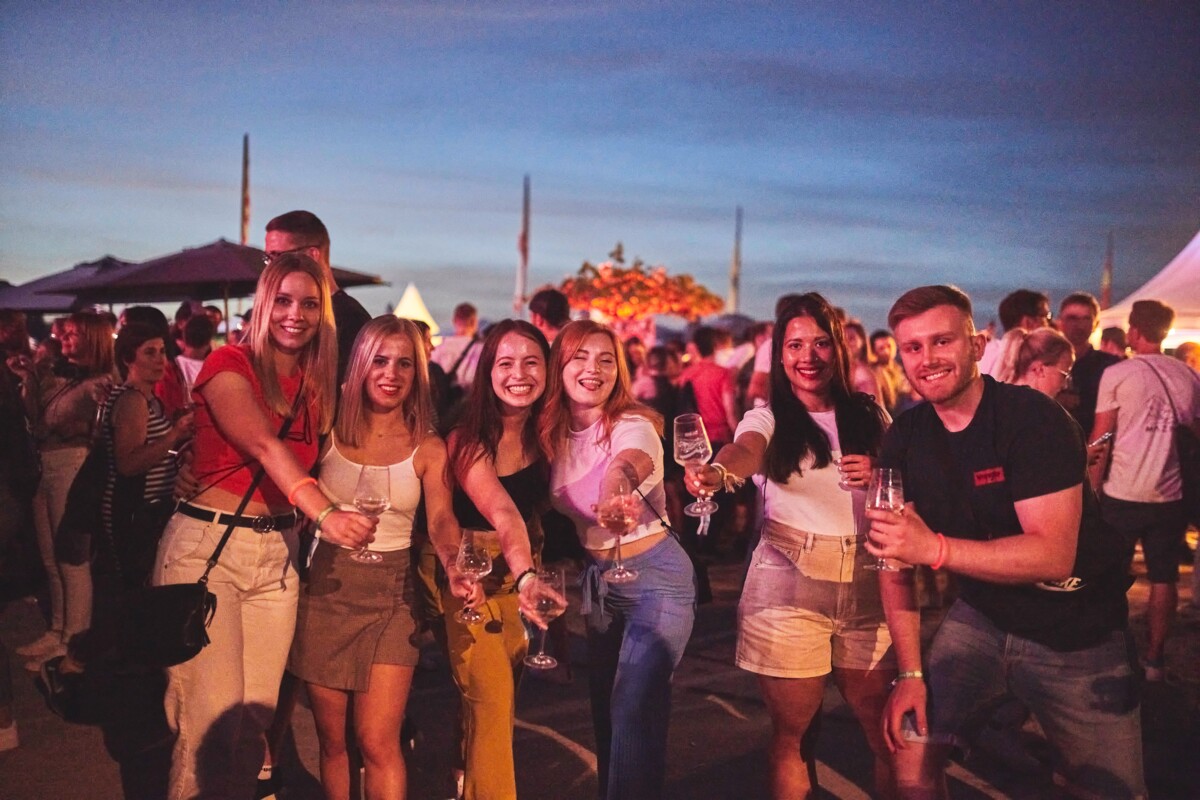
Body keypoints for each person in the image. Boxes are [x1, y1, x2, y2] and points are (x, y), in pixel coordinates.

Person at [869, 285, 1142, 800]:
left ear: (976, 345)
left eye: (942, 342)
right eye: (913, 348)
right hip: (984, 615)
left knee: (1107, 790)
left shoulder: (1032, 418)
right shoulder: (904, 436)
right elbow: (893, 563)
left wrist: (936, 549)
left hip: (1077, 626)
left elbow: (1052, 554)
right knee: (911, 755)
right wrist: (909, 672)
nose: (927, 359)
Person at [152, 253, 376, 798]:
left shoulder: (314, 385)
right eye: (282, 300)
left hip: (278, 555)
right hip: (210, 549)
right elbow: (260, 442)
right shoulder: (229, 362)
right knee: (209, 727)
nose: (294, 314)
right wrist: (324, 511)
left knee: (257, 722)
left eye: (307, 304)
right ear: (262, 303)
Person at [685, 293, 898, 799]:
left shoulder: (871, 415)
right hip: (789, 581)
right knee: (793, 738)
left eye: (822, 343)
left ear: (840, 350)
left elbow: (908, 485)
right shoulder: (768, 416)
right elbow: (743, 452)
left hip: (869, 580)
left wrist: (882, 473)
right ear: (778, 354)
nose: (809, 356)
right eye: (796, 344)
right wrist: (717, 473)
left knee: (887, 735)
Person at [289, 316, 459, 800]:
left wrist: (452, 561)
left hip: (392, 599)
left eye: (405, 363)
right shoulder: (326, 430)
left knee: (377, 740)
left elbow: (443, 519)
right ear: (360, 365)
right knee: (334, 741)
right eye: (380, 360)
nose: (392, 373)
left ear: (418, 374)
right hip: (325, 593)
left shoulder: (428, 446)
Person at [538, 320, 695, 800]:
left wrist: (614, 493)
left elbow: (628, 464)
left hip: (657, 578)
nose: (594, 369)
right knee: (609, 714)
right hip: (599, 583)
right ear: (558, 366)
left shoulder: (634, 425)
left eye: (606, 360)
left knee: (632, 705)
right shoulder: (549, 434)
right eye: (580, 357)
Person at [444, 319, 554, 800]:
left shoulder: (548, 431)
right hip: (469, 578)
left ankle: (465, 778)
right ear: (487, 371)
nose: (519, 374)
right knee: (492, 700)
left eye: (532, 362)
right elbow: (504, 512)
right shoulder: (466, 437)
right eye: (506, 363)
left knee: (497, 702)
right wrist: (528, 572)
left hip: (522, 576)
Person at [1089, 299, 1200, 682]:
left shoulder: (1119, 374)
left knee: (1110, 577)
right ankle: (1154, 659)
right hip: (1169, 496)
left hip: (1123, 491)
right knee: (1164, 578)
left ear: (1134, 332)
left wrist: (1092, 486)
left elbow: (1102, 437)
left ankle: (1111, 653)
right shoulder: (1189, 376)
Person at [9, 311, 117, 672]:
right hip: (46, 463)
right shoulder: (61, 374)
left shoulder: (104, 380)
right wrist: (29, 379)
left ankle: (75, 642)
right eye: (64, 333)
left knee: (72, 558)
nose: (64, 340)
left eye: (73, 334)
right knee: (51, 558)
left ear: (93, 338)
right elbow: (37, 419)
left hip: (73, 465)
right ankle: (58, 630)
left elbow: (103, 432)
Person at [265, 210, 372, 388]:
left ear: (312, 255)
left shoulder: (351, 319)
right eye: (267, 258)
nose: (271, 266)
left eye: (278, 256)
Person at [1055, 292, 1122, 436]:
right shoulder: (1045, 362)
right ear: (1060, 322)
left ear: (1095, 324)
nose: (1079, 325)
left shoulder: (1110, 366)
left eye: (1086, 319)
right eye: (1072, 318)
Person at [978, 289, 1051, 376]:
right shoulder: (1030, 365)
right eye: (1046, 316)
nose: (1050, 323)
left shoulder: (984, 354)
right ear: (1028, 322)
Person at [990, 326, 1075, 396]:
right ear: (1039, 369)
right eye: (1064, 375)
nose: (1065, 385)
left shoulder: (1000, 401)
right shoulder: (1034, 411)